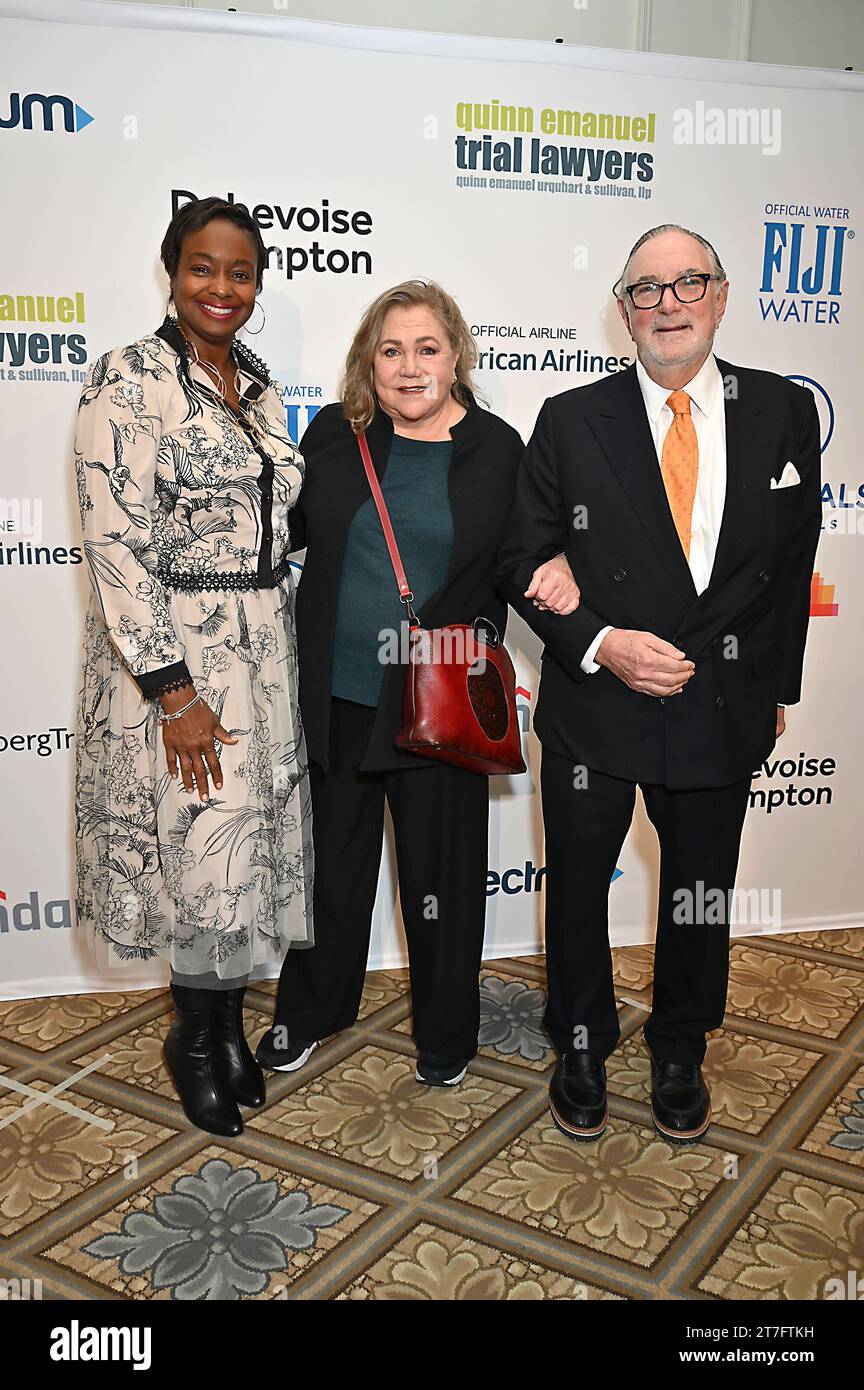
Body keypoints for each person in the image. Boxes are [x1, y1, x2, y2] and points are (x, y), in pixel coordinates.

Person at [496, 224, 821, 1143]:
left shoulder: (783, 413)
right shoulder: (568, 417)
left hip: (723, 702)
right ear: (623, 311)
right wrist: (600, 640)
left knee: (699, 890)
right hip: (597, 705)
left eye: (688, 285)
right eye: (647, 290)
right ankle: (584, 1042)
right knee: (580, 888)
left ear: (720, 297)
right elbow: (523, 556)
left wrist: (778, 685)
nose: (668, 304)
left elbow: (790, 565)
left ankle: (681, 1044)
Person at [256, 280, 577, 1086]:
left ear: (457, 355)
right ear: (370, 359)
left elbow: (521, 553)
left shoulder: (500, 450)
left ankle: (445, 1034)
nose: (408, 366)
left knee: (443, 881)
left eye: (426, 348)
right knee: (332, 873)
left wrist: (561, 566)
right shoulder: (337, 431)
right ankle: (313, 1011)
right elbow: (284, 535)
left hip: (436, 705)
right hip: (339, 698)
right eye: (390, 350)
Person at [74, 197, 313, 1138]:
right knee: (197, 848)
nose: (223, 288)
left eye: (242, 272)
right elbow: (115, 544)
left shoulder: (254, 383)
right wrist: (173, 689)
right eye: (203, 268)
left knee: (236, 853)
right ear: (171, 272)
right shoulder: (126, 382)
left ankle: (222, 1027)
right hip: (176, 663)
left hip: (261, 651)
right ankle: (194, 1040)